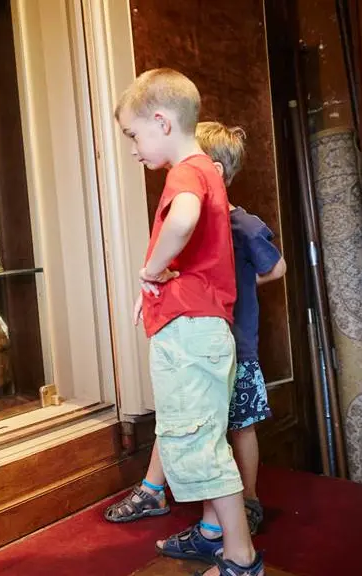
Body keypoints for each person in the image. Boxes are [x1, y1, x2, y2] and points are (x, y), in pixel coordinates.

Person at [109, 68, 263, 576]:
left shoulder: (185, 172)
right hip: (203, 328)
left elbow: (182, 220)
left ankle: (241, 560)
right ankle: (220, 536)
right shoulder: (208, 171)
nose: (133, 149)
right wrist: (151, 291)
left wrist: (149, 269)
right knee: (202, 440)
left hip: (190, 334)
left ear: (161, 120)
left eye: (134, 135)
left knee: (198, 445)